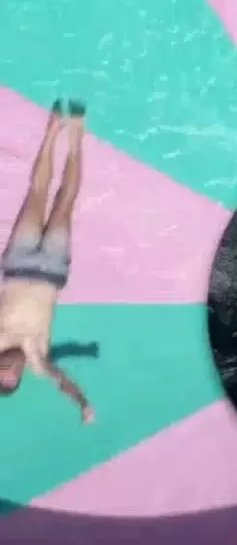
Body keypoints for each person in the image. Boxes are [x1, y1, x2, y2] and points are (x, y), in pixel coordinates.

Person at [0, 99, 94, 424]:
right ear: (20, 376)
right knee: (66, 199)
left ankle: (53, 131)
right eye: (12, 372)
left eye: (1, 368)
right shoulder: (38, 362)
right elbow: (62, 382)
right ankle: (77, 137)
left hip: (17, 265)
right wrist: (82, 402)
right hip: (52, 272)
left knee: (37, 192)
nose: (8, 365)